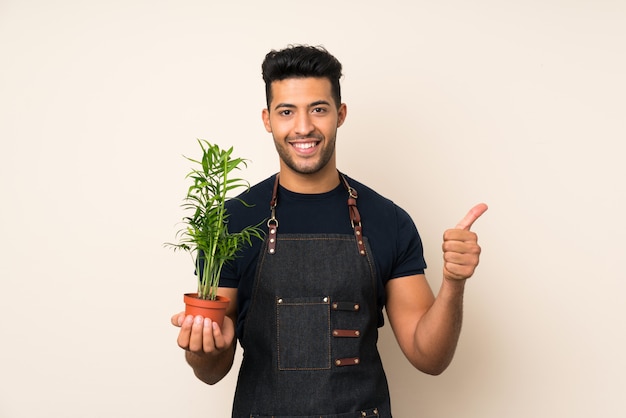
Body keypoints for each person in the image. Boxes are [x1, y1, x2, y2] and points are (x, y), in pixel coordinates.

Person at [171, 44, 487, 418]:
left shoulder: (388, 220)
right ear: (267, 119)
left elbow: (429, 357)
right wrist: (204, 348)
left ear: (340, 114)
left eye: (318, 109)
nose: (303, 127)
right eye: (286, 111)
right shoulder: (230, 221)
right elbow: (211, 372)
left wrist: (453, 282)